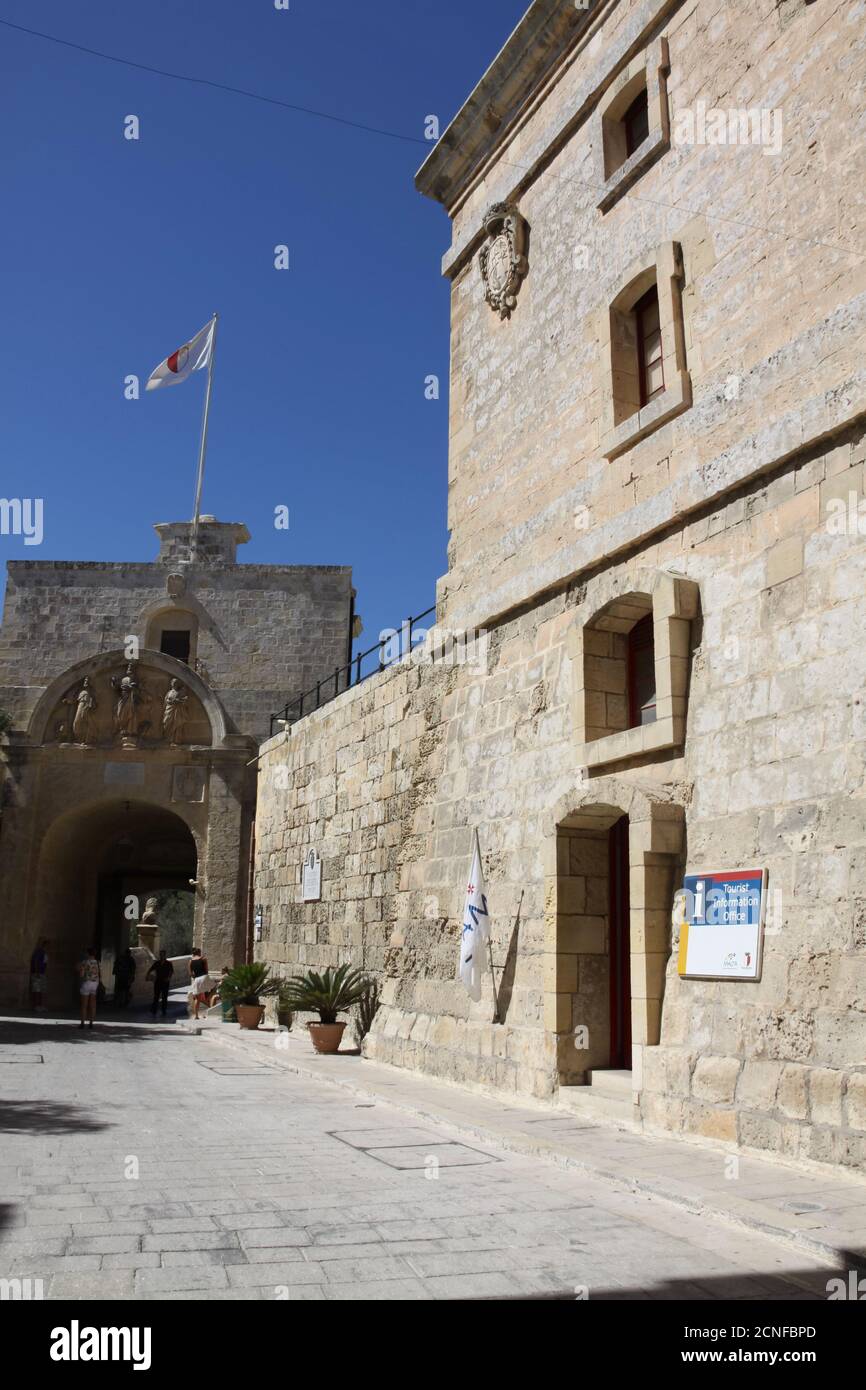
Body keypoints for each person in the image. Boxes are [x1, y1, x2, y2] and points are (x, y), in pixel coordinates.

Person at [78, 947, 101, 1029]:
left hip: (87, 983)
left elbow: (81, 974)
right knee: (93, 1004)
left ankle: (82, 1023)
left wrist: (79, 969)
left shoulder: (85, 962)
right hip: (95, 983)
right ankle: (91, 1023)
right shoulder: (98, 962)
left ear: (88, 953)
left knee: (84, 1005)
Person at [146, 950, 173, 1017]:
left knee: (164, 997)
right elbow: (151, 969)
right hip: (157, 981)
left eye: (163, 954)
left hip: (165, 982)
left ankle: (163, 1010)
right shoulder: (157, 963)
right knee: (156, 997)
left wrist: (168, 978)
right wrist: (148, 975)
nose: (161, 956)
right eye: (161, 954)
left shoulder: (168, 963)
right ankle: (154, 1010)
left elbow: (171, 972)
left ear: (165, 955)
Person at [188, 948, 211, 1021]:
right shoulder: (204, 959)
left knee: (197, 998)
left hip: (197, 980)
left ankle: (196, 1016)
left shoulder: (190, 961)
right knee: (211, 992)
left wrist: (196, 977)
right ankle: (211, 1008)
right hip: (204, 978)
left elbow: (190, 974)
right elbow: (207, 971)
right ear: (199, 952)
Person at [29, 938, 48, 1013]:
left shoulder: (44, 952)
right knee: (37, 990)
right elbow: (36, 961)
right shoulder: (39, 952)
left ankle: (40, 1005)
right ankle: (36, 1006)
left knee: (41, 990)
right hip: (38, 973)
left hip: (42, 973)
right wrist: (36, 972)